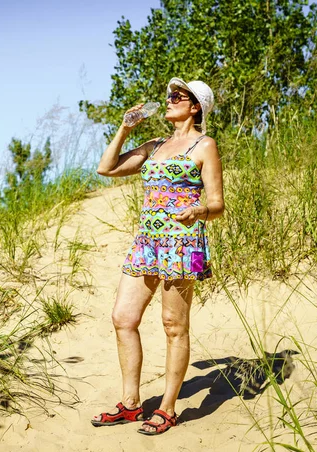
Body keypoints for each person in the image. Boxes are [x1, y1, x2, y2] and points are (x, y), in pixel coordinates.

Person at [91, 78, 224, 435]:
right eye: (169, 95)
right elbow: (107, 168)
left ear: (195, 106)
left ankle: (167, 409)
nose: (169, 100)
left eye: (177, 97)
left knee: (173, 325)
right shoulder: (156, 144)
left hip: (182, 243)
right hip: (147, 242)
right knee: (123, 317)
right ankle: (131, 404)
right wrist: (124, 127)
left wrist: (197, 211)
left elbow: (216, 204)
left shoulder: (204, 144)